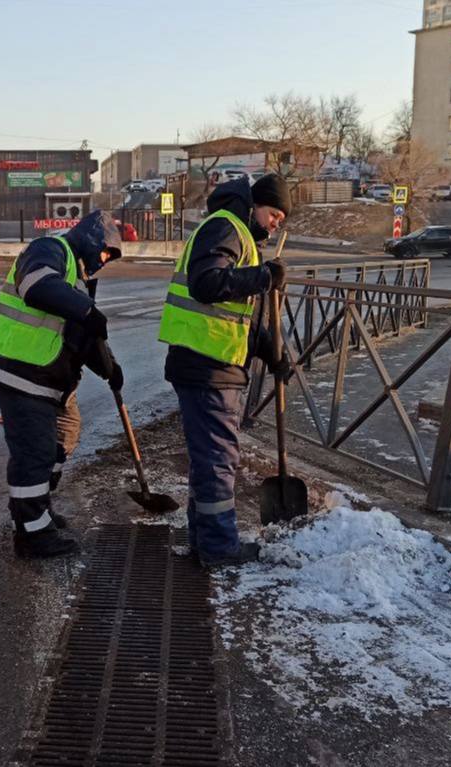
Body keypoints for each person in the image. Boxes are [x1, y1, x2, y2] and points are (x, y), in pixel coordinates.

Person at [158, 173, 294, 568]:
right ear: (256, 204)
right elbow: (207, 284)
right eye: (274, 213)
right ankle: (218, 547)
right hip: (206, 365)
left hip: (210, 362)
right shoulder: (226, 227)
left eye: (281, 219)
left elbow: (234, 317)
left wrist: (271, 352)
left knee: (209, 459)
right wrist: (264, 277)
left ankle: (204, 540)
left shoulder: (239, 235)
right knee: (218, 459)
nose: (276, 223)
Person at [0, 211, 123, 559]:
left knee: (53, 444)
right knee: (34, 453)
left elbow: (82, 335)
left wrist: (110, 368)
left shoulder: (77, 275)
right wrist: (87, 311)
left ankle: (36, 509)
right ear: (91, 239)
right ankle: (32, 535)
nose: (104, 261)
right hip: (22, 371)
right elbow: (37, 287)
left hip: (43, 377)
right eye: (105, 252)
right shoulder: (49, 249)